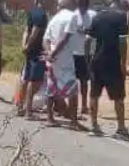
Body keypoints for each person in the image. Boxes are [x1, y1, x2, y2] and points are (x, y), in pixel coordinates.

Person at [85, 0, 129, 140]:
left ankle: (93, 126)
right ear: (121, 7)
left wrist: (88, 59)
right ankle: (121, 129)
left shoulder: (97, 17)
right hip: (113, 63)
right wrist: (123, 63)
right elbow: (123, 42)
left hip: (97, 61)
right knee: (118, 97)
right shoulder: (121, 18)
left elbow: (88, 40)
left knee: (94, 94)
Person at [44, 0, 84, 129]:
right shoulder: (72, 16)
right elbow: (66, 38)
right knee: (73, 90)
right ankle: (73, 121)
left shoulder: (54, 18)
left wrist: (49, 53)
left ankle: (50, 118)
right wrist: (53, 53)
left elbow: (46, 39)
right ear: (71, 4)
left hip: (52, 60)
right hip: (64, 59)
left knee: (51, 89)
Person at [16, 0, 49, 119]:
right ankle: (28, 111)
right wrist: (28, 45)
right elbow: (35, 31)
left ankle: (20, 106)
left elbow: (26, 30)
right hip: (37, 52)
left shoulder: (32, 12)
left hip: (30, 52)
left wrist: (24, 46)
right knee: (35, 81)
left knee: (26, 78)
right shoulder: (41, 14)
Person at [70, 0, 96, 115]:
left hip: (87, 54)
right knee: (72, 81)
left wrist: (88, 31)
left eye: (84, 5)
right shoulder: (73, 16)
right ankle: (71, 106)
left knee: (84, 81)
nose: (82, 7)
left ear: (87, 5)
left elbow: (96, 31)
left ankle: (84, 105)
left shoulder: (93, 15)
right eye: (80, 5)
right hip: (73, 53)